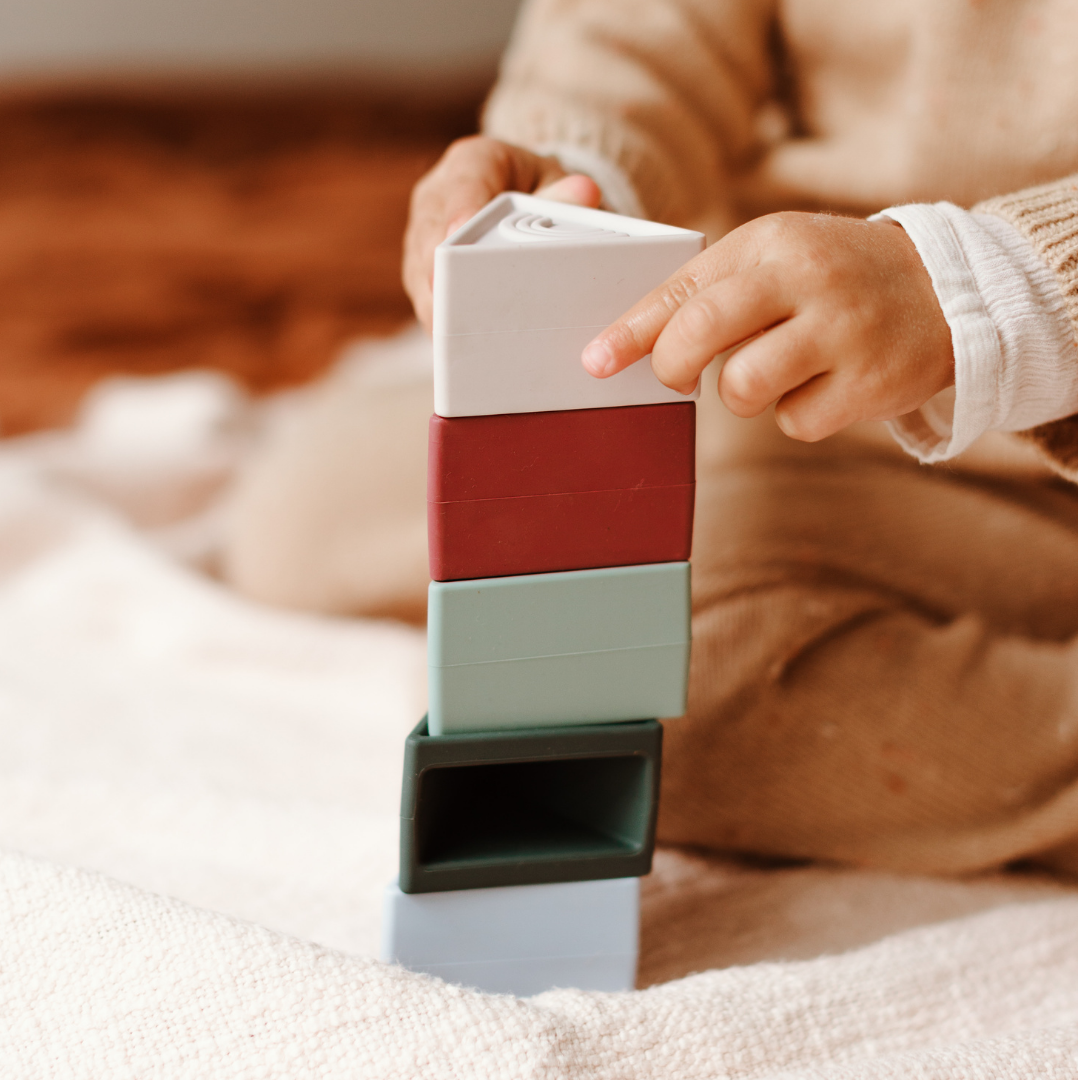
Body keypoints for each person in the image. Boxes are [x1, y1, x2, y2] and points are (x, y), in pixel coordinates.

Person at [228, 0, 1078, 875]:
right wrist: (578, 181)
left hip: (1048, 452)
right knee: (304, 516)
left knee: (649, 715)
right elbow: (643, 26)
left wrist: (988, 295)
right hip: (782, 360)